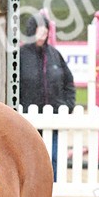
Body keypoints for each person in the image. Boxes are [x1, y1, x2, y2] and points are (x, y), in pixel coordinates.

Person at [19, 10, 75, 181]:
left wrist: (68, 105)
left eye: (45, 29)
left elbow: (68, 82)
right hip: (30, 122)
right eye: (39, 29)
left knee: (55, 160)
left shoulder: (55, 55)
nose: (43, 33)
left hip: (55, 119)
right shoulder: (20, 56)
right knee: (31, 162)